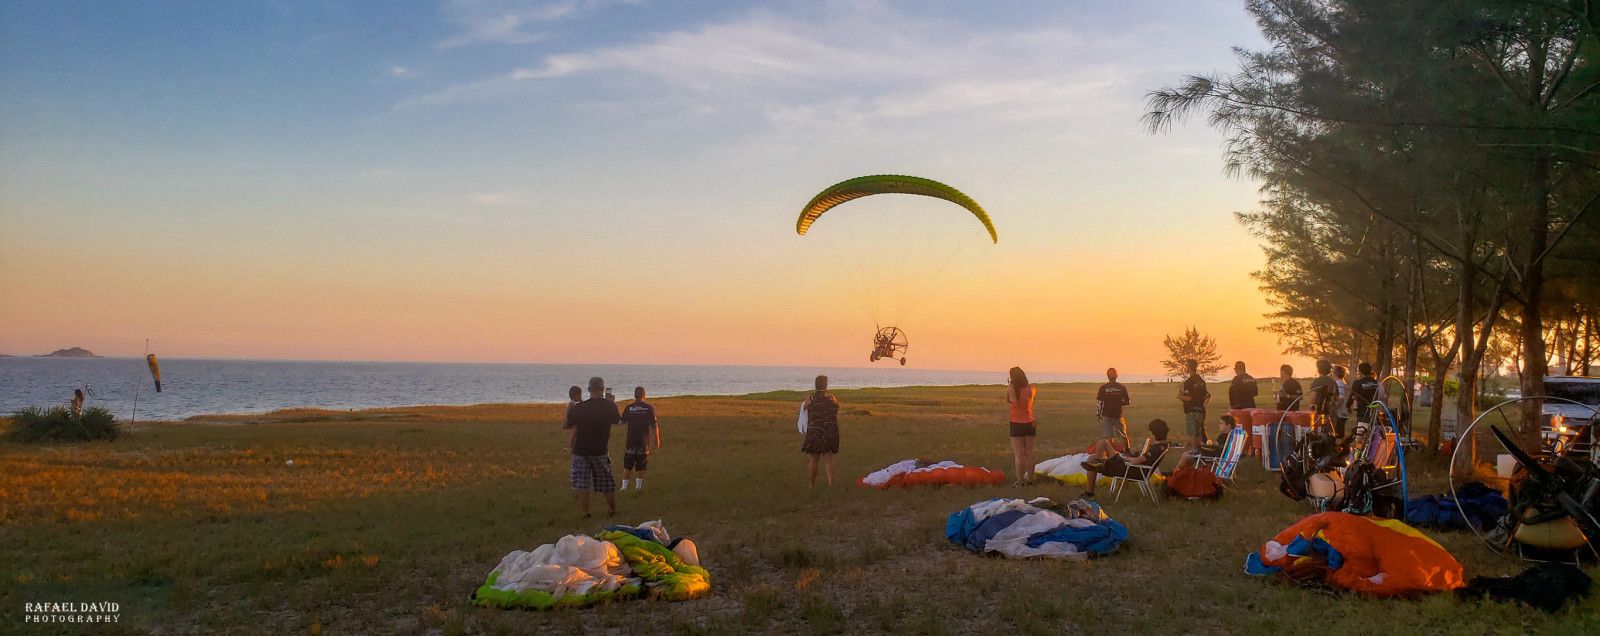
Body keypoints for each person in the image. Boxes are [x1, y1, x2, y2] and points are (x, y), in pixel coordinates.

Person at [566, 377, 621, 518]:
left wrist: (569, 410)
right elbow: (616, 420)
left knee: (582, 483)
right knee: (606, 481)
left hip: (580, 450)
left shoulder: (580, 407)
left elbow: (568, 423)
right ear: (603, 390)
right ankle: (612, 510)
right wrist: (612, 403)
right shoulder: (609, 406)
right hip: (600, 450)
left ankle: (585, 512)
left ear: (589, 390)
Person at [1081, 418, 1171, 498]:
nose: (1150, 434)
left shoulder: (1155, 449)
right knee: (1095, 453)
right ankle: (1097, 465)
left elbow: (1136, 461)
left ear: (1154, 433)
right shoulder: (1161, 446)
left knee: (1098, 450)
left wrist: (1125, 458)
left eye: (1150, 432)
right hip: (1132, 468)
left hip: (1130, 469)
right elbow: (1142, 459)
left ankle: (1095, 472)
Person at [801, 375, 840, 486]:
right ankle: (831, 484)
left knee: (814, 459)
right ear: (826, 385)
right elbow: (836, 409)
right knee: (828, 459)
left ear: (816, 384)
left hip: (815, 431)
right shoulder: (832, 398)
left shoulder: (810, 398)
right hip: (830, 431)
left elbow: (803, 411)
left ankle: (811, 484)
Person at [618, 386, 659, 492]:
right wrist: (657, 439)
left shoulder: (629, 407)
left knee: (628, 464)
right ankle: (638, 487)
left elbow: (622, 422)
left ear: (634, 395)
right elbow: (654, 425)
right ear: (644, 395)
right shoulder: (649, 408)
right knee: (641, 465)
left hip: (630, 441)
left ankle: (624, 487)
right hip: (643, 441)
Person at [1006, 367, 1038, 486]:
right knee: (1029, 453)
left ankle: (1020, 481)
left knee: (1019, 455)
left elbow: (1013, 401)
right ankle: (1030, 479)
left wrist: (1011, 385)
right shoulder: (1031, 388)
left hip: (1016, 424)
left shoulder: (1012, 388)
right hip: (1030, 423)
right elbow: (1030, 402)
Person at [1095, 368, 1131, 451]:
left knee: (1109, 437)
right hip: (1118, 415)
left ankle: (1112, 454)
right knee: (1123, 435)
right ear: (1117, 376)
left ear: (1107, 376)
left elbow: (1099, 402)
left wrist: (1098, 414)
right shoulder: (1122, 387)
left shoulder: (1103, 388)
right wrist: (1118, 404)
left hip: (1106, 415)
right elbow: (1127, 401)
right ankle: (1127, 451)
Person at [1178, 359, 1210, 448]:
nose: (1185, 368)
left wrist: (1180, 396)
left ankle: (1193, 451)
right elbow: (1207, 396)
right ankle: (1200, 451)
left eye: (1186, 366)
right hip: (1199, 410)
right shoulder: (1201, 381)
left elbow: (1188, 398)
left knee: (1192, 433)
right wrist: (1203, 406)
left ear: (1189, 367)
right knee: (1198, 432)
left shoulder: (1188, 382)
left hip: (1190, 411)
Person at [1308, 359, 1338, 435]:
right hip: (1331, 413)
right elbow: (1336, 399)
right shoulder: (1333, 382)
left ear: (1318, 369)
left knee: (1317, 434)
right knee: (1331, 435)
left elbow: (1312, 399)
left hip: (1319, 413)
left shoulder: (1317, 381)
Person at [1333, 365, 1351, 437]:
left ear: (1335, 373)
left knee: (1338, 435)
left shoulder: (1338, 383)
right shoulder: (1344, 382)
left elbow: (1341, 398)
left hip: (1340, 413)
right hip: (1343, 412)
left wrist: (1334, 408)